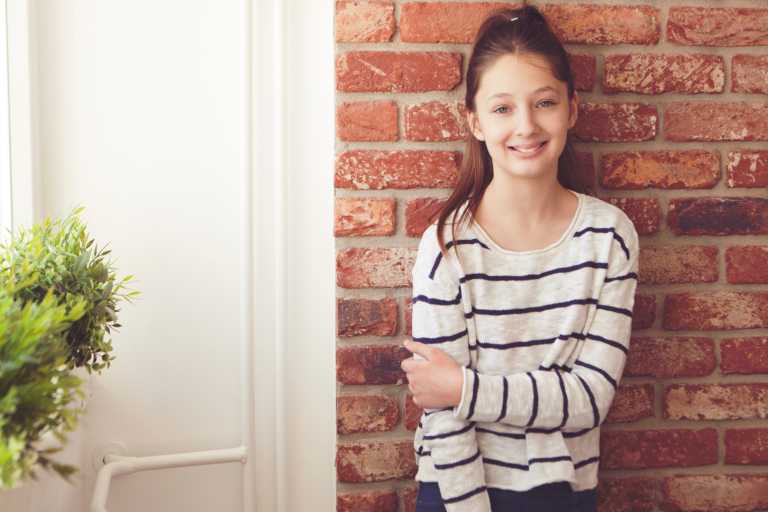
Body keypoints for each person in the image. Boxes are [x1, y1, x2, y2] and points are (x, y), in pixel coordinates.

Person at [399, 3, 640, 512]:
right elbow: (442, 420)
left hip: (562, 491)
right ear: (476, 122)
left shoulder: (609, 237)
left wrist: (462, 387)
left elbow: (590, 400)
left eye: (544, 102)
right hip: (455, 490)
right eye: (503, 108)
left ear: (572, 108)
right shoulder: (446, 246)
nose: (526, 126)